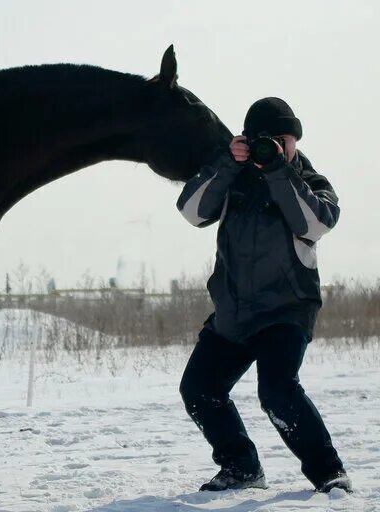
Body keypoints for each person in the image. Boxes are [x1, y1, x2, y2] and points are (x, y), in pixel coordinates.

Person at [175, 97, 351, 493]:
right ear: (247, 139)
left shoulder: (312, 182)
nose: (275, 147)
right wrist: (225, 162)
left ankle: (329, 473)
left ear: (294, 142)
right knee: (199, 389)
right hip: (233, 313)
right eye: (264, 140)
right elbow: (191, 211)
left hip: (287, 310)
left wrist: (277, 170)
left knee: (277, 391)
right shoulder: (231, 174)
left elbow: (315, 223)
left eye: (283, 140)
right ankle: (241, 468)